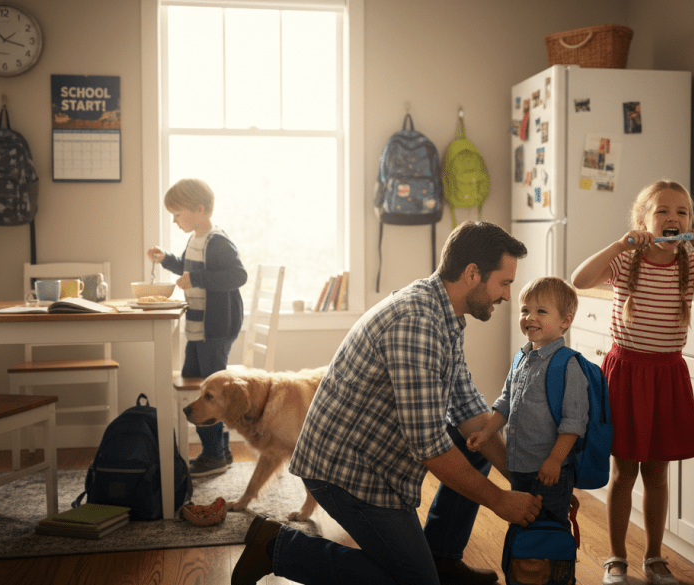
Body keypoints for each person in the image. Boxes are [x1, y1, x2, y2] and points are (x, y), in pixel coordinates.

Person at [231, 220, 543, 585]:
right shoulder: (418, 323)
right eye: (504, 283)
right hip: (344, 471)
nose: (507, 295)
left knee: (475, 441)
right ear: (473, 274)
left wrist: (525, 485)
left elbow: (470, 412)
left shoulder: (444, 314)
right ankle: (277, 546)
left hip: (372, 456)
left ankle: (440, 557)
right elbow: (429, 446)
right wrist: (499, 501)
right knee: (416, 582)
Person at [570, 180, 694, 585]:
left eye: (682, 212)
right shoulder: (628, 260)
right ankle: (615, 557)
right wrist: (620, 245)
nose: (673, 218)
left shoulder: (691, 263)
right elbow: (579, 278)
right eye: (662, 211)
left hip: (667, 377)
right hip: (626, 376)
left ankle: (655, 557)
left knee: (658, 474)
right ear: (643, 220)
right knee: (624, 472)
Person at [466, 276, 588, 531]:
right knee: (522, 523)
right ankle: (521, 571)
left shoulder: (568, 365)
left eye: (540, 311)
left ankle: (552, 571)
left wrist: (554, 460)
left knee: (549, 528)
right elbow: (506, 402)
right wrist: (486, 433)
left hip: (550, 470)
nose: (529, 317)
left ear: (565, 321)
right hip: (519, 465)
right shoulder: (522, 357)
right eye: (525, 310)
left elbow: (574, 422)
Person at [147, 178, 248, 477]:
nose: (175, 220)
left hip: (214, 330)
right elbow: (189, 268)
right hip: (198, 329)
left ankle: (213, 454)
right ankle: (223, 450)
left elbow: (237, 275)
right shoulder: (196, 239)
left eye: (178, 214)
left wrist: (198, 279)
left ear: (200, 209)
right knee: (194, 380)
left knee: (209, 393)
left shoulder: (217, 241)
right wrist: (166, 259)